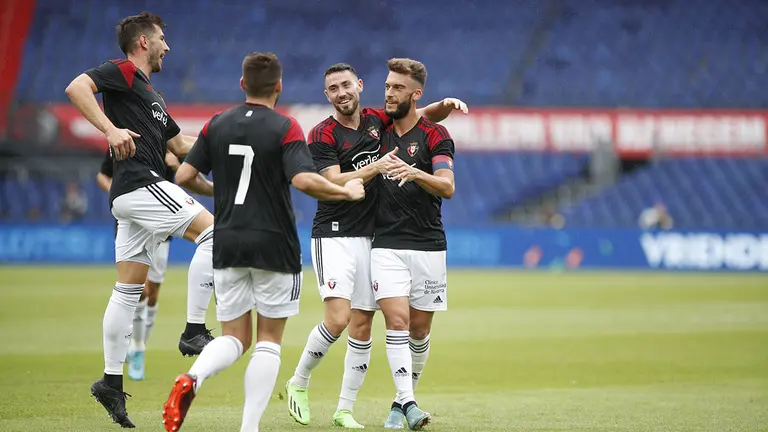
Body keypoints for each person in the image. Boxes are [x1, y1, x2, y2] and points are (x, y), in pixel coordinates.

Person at [161, 52, 365, 432]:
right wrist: (346, 193)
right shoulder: (285, 127)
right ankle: (249, 428)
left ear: (242, 85)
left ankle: (192, 377)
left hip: (228, 240)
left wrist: (216, 192)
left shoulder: (217, 124)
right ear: (279, 87)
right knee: (268, 341)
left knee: (234, 337)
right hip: (274, 243)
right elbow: (304, 181)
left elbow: (184, 175)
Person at [285, 62, 467, 428]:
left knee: (363, 324)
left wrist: (442, 106)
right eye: (333, 88)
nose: (341, 93)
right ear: (327, 95)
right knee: (337, 319)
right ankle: (298, 381)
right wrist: (377, 167)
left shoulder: (375, 121)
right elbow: (334, 181)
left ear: (359, 86)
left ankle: (344, 409)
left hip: (372, 237)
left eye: (346, 85)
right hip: (334, 234)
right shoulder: (321, 134)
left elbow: (414, 116)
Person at [65, 12, 216, 427]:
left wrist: (227, 153)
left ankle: (111, 382)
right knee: (215, 236)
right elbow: (76, 87)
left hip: (133, 198)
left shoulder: (151, 95)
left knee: (127, 290)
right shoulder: (124, 71)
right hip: (139, 184)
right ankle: (193, 328)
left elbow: (182, 144)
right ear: (144, 42)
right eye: (163, 39)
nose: (168, 46)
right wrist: (110, 130)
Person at [373, 58, 457, 430]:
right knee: (397, 320)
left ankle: (399, 403)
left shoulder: (436, 136)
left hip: (428, 244)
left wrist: (414, 172)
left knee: (420, 330)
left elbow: (447, 186)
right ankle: (409, 402)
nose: (389, 93)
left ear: (415, 94)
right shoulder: (376, 128)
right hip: (386, 242)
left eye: (398, 88)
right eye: (388, 86)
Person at [96, 148, 182, 381]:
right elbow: (103, 175)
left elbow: (187, 174)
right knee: (138, 290)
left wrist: (174, 165)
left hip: (161, 224)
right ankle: (136, 348)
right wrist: (116, 190)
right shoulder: (120, 140)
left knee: (152, 293)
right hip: (131, 222)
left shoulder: (165, 140)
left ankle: (140, 342)